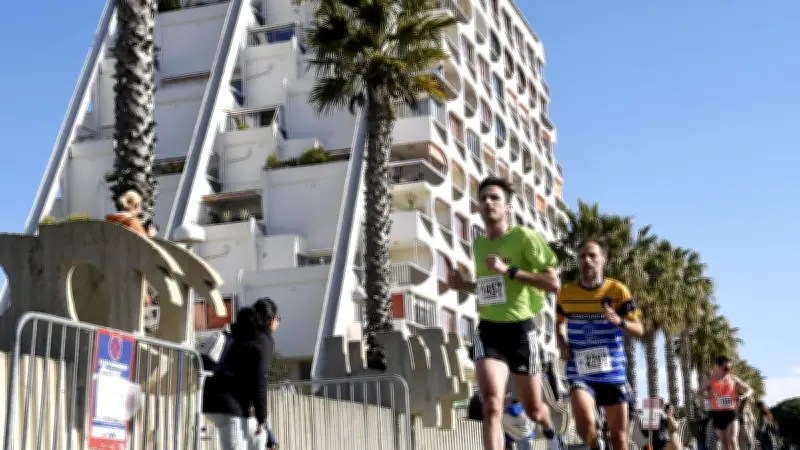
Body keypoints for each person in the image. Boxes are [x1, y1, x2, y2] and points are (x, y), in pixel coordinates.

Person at [446, 176, 564, 450]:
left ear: (508, 207)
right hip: (490, 331)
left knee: (534, 409)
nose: (488, 202)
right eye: (483, 198)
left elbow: (552, 283)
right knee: (490, 404)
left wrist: (509, 270)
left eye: (495, 198)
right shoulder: (479, 245)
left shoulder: (524, 238)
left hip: (521, 330)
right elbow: (490, 288)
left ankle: (549, 430)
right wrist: (462, 285)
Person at [555, 239, 644, 450]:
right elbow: (559, 323)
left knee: (620, 439)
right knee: (585, 426)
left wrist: (619, 321)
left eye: (592, 255)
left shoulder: (617, 290)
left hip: (612, 372)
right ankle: (596, 445)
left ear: (603, 259)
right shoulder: (566, 293)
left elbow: (639, 330)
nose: (587, 260)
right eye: (582, 256)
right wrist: (562, 342)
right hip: (580, 371)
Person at [203, 304, 277, 450]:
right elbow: (260, 381)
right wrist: (262, 418)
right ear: (269, 321)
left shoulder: (236, 337)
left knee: (258, 436)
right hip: (231, 408)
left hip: (213, 403)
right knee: (255, 434)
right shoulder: (260, 341)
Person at [701, 356, 754, 450]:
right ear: (718, 366)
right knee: (725, 445)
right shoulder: (710, 380)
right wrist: (709, 395)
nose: (728, 370)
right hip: (717, 414)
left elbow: (750, 389)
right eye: (726, 368)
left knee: (733, 440)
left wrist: (743, 396)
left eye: (730, 368)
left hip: (731, 412)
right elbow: (699, 393)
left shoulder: (733, 378)